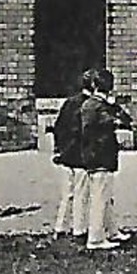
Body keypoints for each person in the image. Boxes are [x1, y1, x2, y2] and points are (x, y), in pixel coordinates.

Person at [80, 69, 134, 250]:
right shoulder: (96, 107)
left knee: (105, 196)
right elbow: (119, 122)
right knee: (100, 198)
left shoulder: (90, 104)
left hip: (96, 156)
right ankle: (95, 238)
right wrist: (115, 109)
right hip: (100, 156)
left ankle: (112, 231)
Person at [50, 70, 92, 239]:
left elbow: (59, 127)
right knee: (81, 194)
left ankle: (60, 228)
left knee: (68, 194)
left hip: (67, 155)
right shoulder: (91, 105)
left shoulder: (70, 103)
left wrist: (60, 149)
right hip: (81, 156)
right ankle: (79, 229)